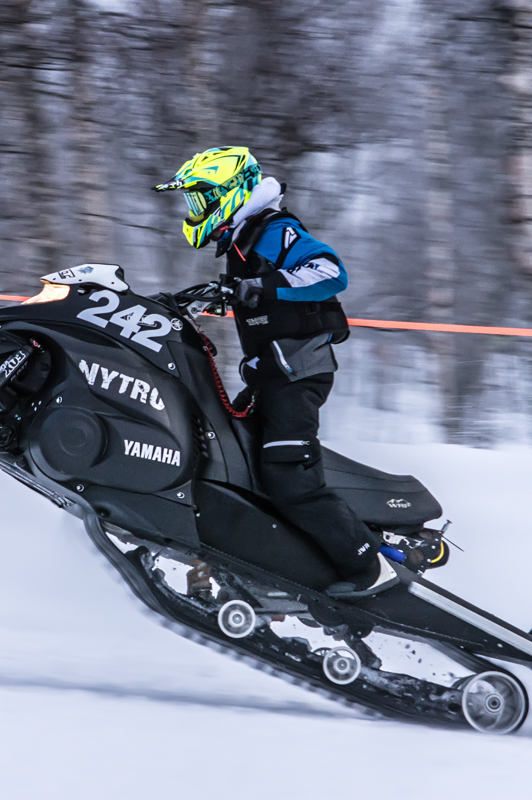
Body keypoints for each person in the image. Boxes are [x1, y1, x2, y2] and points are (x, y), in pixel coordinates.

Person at [155, 146, 393, 598]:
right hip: (271, 375)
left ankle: (369, 568)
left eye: (200, 199)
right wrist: (205, 298)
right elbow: (255, 294)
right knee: (231, 460)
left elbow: (329, 272)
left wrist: (255, 287)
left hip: (299, 374)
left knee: (289, 475)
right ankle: (267, 572)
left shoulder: (274, 230)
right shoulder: (243, 243)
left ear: (229, 192)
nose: (196, 211)